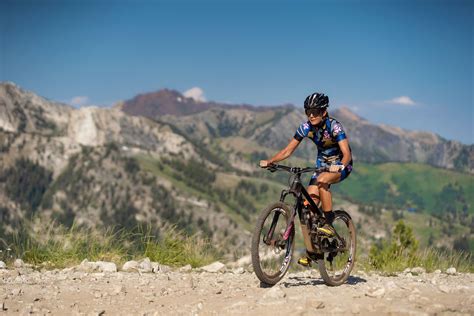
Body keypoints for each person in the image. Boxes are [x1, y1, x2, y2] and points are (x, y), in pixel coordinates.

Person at [259, 92, 353, 266]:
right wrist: (271, 161)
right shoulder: (306, 127)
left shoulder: (335, 127)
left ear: (324, 112)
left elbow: (346, 153)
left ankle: (329, 223)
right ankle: (313, 251)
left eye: (315, 111)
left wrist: (340, 165)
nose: (311, 115)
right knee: (306, 207)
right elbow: (287, 151)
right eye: (308, 111)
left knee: (323, 180)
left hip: (341, 166)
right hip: (320, 166)